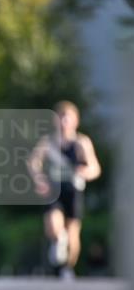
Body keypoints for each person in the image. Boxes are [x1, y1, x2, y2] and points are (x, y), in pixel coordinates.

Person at [28, 100, 101, 279]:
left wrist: (85, 172)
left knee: (73, 234)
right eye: (61, 118)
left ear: (75, 120)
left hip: (73, 190)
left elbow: (95, 169)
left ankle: (67, 267)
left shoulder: (82, 142)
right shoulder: (48, 143)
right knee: (53, 225)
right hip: (54, 189)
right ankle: (58, 240)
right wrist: (39, 179)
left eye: (68, 118)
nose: (64, 122)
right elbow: (33, 162)